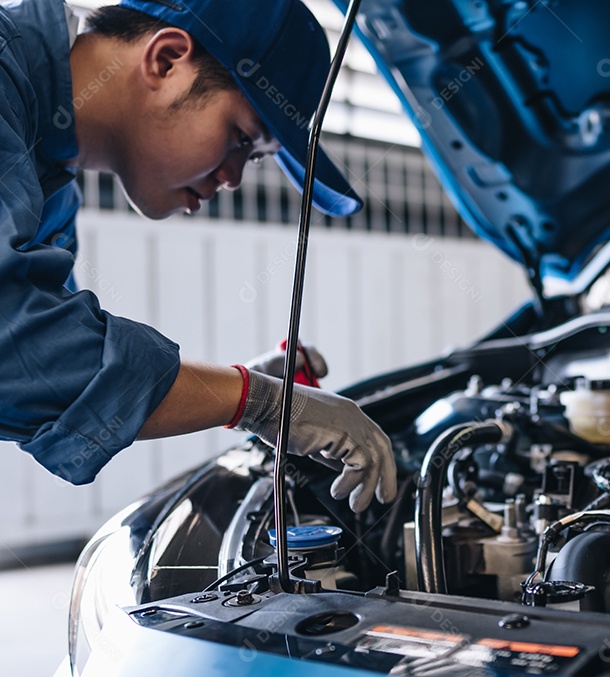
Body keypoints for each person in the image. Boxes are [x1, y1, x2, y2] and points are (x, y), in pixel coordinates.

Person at [0, 0, 396, 512]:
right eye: (240, 139)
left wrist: (238, 392)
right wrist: (256, 402)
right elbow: (15, 346)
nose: (232, 179)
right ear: (165, 61)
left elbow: (56, 384)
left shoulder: (50, 196)